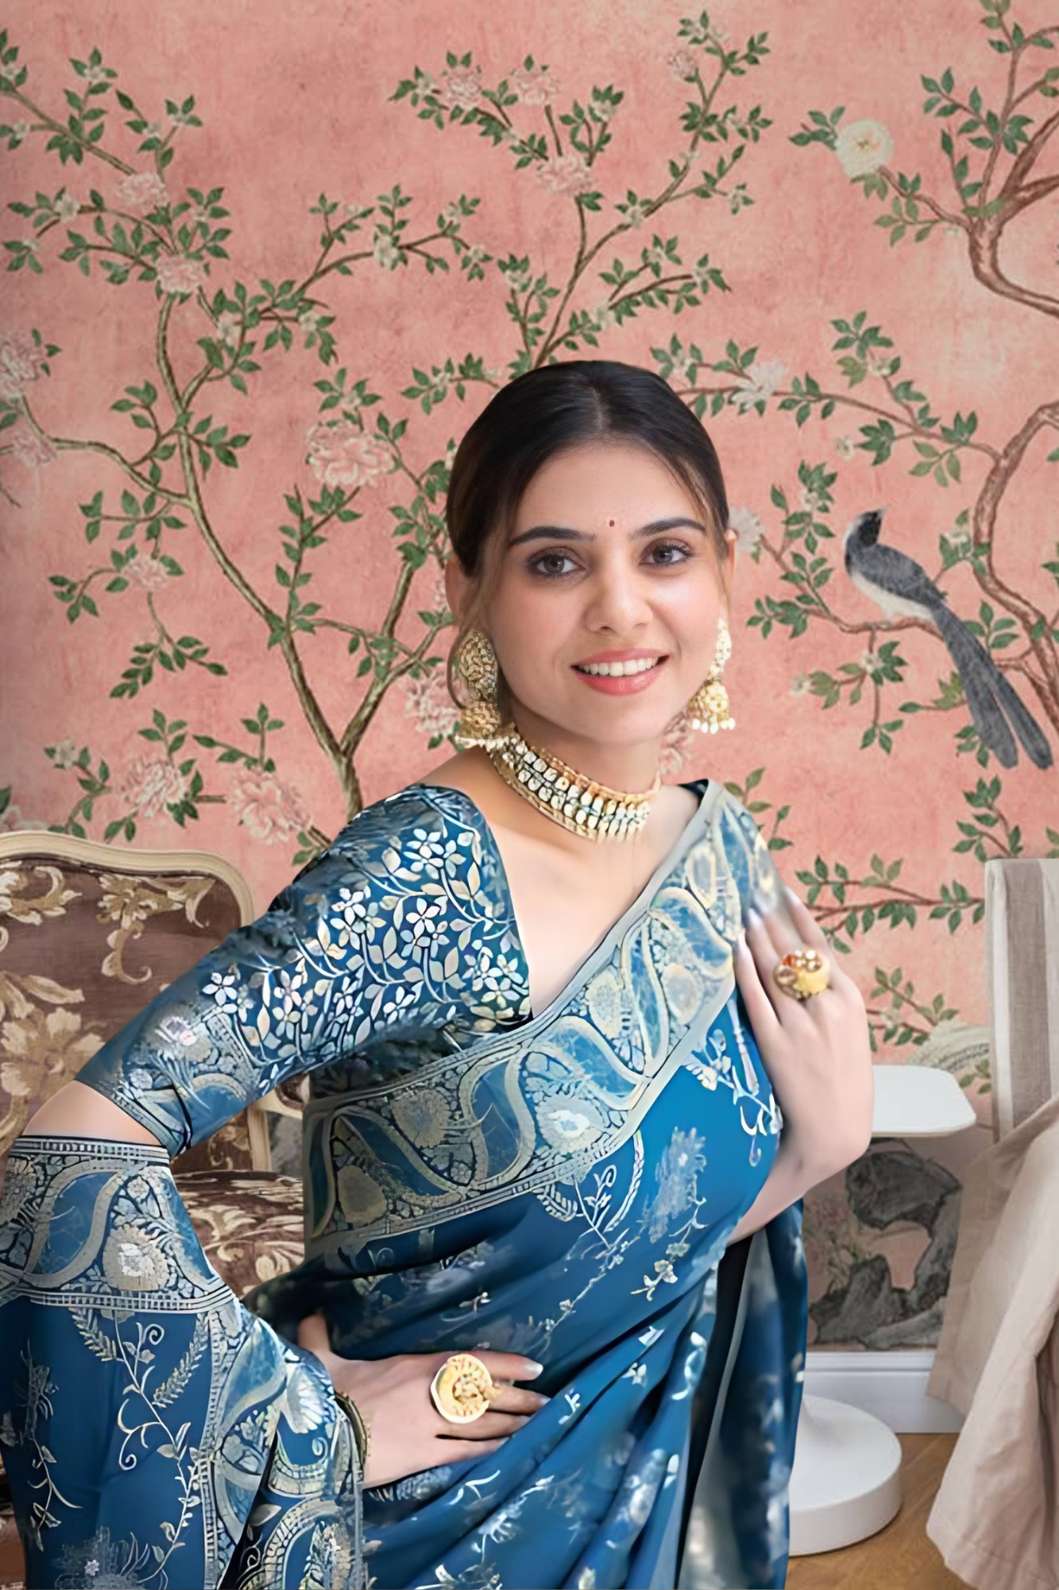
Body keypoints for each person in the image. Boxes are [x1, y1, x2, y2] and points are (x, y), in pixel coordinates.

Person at [0, 358, 873, 1590]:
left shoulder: (716, 845)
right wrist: (309, 1423)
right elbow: (72, 1156)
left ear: (727, 571)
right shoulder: (422, 877)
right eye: (556, 562)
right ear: (469, 589)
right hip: (416, 1541)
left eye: (666, 553)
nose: (621, 609)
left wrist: (812, 1153)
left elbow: (643, 1247)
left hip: (629, 1524)